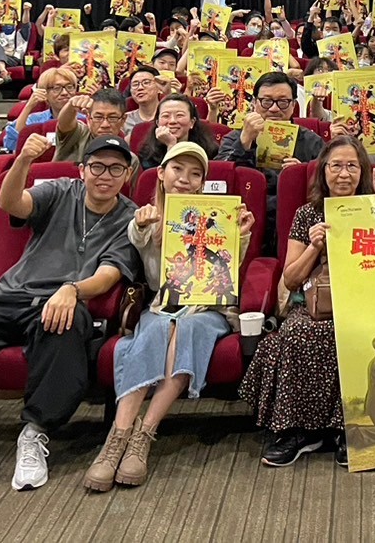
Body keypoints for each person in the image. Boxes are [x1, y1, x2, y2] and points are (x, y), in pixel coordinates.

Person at [0, 133, 142, 499]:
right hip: (9, 295)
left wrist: (72, 290)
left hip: (61, 302)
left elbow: (109, 274)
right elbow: (11, 203)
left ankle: (35, 433)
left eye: (116, 169)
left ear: (127, 175)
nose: (105, 175)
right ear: (82, 170)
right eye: (97, 166)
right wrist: (23, 162)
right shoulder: (60, 190)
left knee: (66, 324)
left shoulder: (129, 218)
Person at [84, 141, 254, 491]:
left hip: (208, 310)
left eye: (195, 174)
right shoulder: (145, 218)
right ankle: (117, 438)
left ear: (203, 183)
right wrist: (142, 225)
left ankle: (144, 435)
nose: (184, 179)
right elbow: (139, 246)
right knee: (157, 329)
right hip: (163, 305)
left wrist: (239, 236)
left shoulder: (221, 218)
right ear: (161, 174)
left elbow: (227, 274)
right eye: (177, 169)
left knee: (186, 329)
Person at [240, 134, 375, 468]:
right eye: (335, 166)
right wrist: (314, 247)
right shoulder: (307, 214)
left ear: (362, 172)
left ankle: (347, 429)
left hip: (367, 302)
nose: (344, 174)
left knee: (361, 332)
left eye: (352, 166)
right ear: (323, 171)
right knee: (298, 333)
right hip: (315, 304)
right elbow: (291, 279)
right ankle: (297, 432)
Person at [216, 71, 325, 245]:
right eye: (266, 101)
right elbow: (219, 177)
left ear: (293, 105)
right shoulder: (235, 138)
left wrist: (303, 174)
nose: (274, 109)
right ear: (254, 103)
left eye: (283, 102)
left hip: (297, 228)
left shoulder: (311, 141)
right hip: (243, 222)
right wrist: (244, 141)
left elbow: (327, 185)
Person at [2, 67, 79, 153]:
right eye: (57, 88)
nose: (65, 93)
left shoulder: (85, 119)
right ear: (44, 93)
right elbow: (12, 144)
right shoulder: (35, 120)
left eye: (69, 87)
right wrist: (29, 106)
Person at [53, 88, 135, 167]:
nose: (105, 125)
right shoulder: (78, 134)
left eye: (112, 118)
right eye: (98, 117)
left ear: (123, 119)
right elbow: (64, 123)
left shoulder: (131, 159)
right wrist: (70, 106)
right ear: (88, 118)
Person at [136, 94, 219, 171]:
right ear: (157, 123)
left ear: (192, 122)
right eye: (166, 116)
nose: (172, 121)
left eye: (180, 115)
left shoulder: (209, 151)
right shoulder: (147, 154)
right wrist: (171, 145)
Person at [123, 65, 167, 133]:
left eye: (146, 82)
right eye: (135, 84)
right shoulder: (125, 120)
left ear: (159, 87)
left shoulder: (168, 117)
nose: (140, 88)